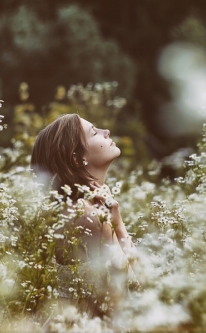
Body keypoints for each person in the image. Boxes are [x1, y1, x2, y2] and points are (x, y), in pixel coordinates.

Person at [31, 114, 137, 319]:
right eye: (94, 132)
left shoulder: (85, 208)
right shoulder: (86, 214)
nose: (106, 132)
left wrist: (118, 223)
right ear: (76, 158)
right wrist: (114, 225)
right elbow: (131, 288)